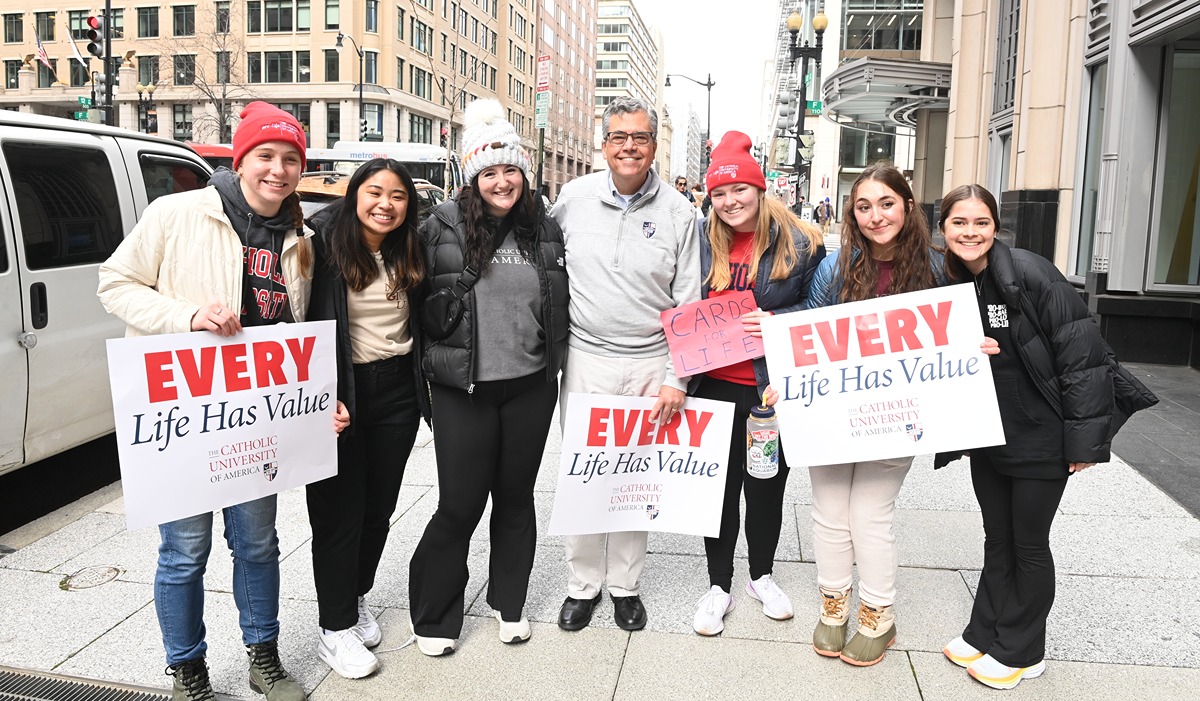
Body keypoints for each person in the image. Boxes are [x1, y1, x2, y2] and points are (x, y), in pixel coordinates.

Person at [98, 102, 326, 701]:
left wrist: (313, 400)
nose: (277, 170)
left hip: (253, 421)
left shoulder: (300, 237)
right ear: (241, 158)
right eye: (265, 156)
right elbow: (114, 283)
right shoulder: (178, 213)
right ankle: (188, 668)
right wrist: (187, 317)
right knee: (184, 551)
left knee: (257, 543)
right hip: (188, 419)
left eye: (290, 159)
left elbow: (294, 329)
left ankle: (263, 656)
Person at [936, 184, 1157, 689]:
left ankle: (1022, 649)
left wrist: (1083, 442)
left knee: (1029, 545)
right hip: (990, 433)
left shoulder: (1030, 273)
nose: (970, 233)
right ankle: (985, 631)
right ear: (943, 228)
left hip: (1042, 434)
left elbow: (1084, 356)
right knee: (998, 539)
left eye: (981, 223)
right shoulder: (952, 281)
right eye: (959, 223)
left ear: (995, 227)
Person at [407, 99, 568, 655]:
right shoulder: (440, 229)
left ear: (524, 173)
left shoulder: (544, 230)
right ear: (472, 178)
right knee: (459, 503)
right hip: (463, 390)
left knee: (517, 499)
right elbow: (410, 301)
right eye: (489, 171)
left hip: (529, 386)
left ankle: (510, 603)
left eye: (511, 169)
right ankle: (434, 615)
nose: (502, 181)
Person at [550, 95, 700, 633]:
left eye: (639, 137)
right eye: (619, 137)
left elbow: (688, 302)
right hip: (587, 357)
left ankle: (625, 586)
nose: (629, 146)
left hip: (649, 362)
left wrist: (675, 378)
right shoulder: (572, 198)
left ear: (654, 145)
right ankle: (582, 585)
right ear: (604, 143)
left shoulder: (682, 214)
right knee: (585, 472)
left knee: (636, 476)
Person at [803, 163, 946, 667]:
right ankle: (833, 605)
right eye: (863, 206)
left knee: (869, 511)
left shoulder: (936, 268)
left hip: (896, 413)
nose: (875, 215)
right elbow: (809, 334)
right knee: (829, 510)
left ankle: (878, 615)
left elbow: (956, 335)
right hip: (834, 412)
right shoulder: (834, 268)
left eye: (886, 203)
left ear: (908, 206)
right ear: (852, 213)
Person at [689, 131, 825, 636]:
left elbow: (821, 308)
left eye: (739, 190)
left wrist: (776, 320)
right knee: (717, 489)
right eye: (719, 193)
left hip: (770, 389)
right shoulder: (700, 240)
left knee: (766, 484)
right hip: (713, 385)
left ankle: (761, 576)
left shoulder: (803, 240)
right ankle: (718, 584)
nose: (729, 201)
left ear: (759, 188)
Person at [304, 158, 429, 679]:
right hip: (341, 392)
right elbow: (293, 320)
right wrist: (315, 394)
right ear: (354, 195)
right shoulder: (320, 248)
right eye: (374, 192)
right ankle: (333, 630)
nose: (385, 204)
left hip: (397, 390)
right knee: (338, 513)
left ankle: (353, 601)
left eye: (397, 195)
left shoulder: (409, 250)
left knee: (379, 509)